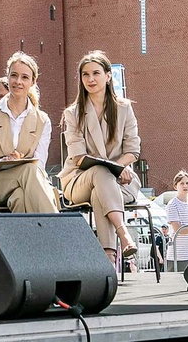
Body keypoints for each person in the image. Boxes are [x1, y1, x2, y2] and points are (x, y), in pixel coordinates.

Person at [59, 50, 142, 265]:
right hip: (79, 180)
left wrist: (116, 169)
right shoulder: (73, 113)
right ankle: (123, 235)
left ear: (108, 76)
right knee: (99, 172)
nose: (90, 79)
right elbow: (78, 157)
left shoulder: (124, 108)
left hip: (120, 182)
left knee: (100, 194)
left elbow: (133, 150)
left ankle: (108, 258)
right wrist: (113, 167)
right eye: (85, 75)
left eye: (96, 73)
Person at [0, 52, 58, 213]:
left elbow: (41, 165)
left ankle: (27, 239)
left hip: (27, 183)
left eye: (24, 77)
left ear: (33, 81)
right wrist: (5, 162)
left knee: (20, 197)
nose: (18, 82)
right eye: (14, 76)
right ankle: (58, 230)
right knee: (29, 170)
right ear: (7, 76)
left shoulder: (42, 120)